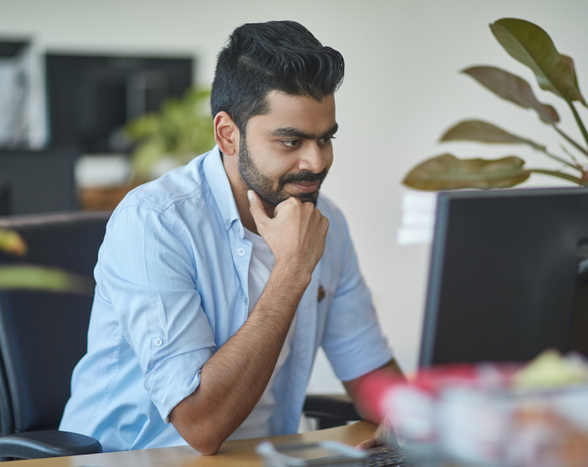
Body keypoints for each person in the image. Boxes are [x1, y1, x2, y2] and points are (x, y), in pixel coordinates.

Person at [60, 20, 402, 455]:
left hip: (262, 457)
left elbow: (367, 368)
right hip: (138, 459)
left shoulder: (323, 220)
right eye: (291, 140)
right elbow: (200, 425)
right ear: (228, 135)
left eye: (325, 139)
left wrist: (408, 419)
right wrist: (292, 270)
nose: (315, 161)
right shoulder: (154, 223)